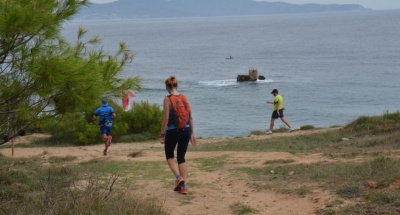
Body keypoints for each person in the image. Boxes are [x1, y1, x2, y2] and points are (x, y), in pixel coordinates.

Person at [160, 75, 196, 195]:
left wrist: (162, 134)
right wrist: (192, 133)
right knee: (181, 157)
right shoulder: (184, 97)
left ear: (167, 87)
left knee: (170, 156)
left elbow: (165, 118)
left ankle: (179, 178)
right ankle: (183, 186)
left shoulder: (167, 99)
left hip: (172, 131)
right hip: (185, 130)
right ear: (177, 85)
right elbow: (190, 116)